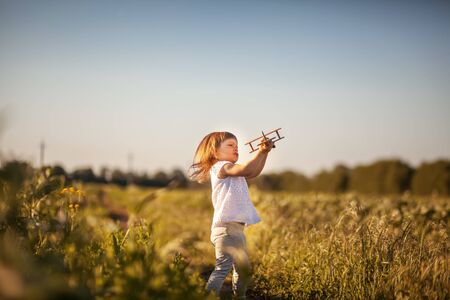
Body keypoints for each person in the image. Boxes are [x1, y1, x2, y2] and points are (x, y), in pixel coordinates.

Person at [189, 131, 274, 299]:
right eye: (230, 145)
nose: (236, 149)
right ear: (215, 152)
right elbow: (248, 169)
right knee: (223, 268)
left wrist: (264, 153)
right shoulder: (221, 166)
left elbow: (252, 172)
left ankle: (239, 296)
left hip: (236, 230)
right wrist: (261, 152)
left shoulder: (232, 169)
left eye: (236, 146)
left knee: (242, 269)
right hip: (226, 229)